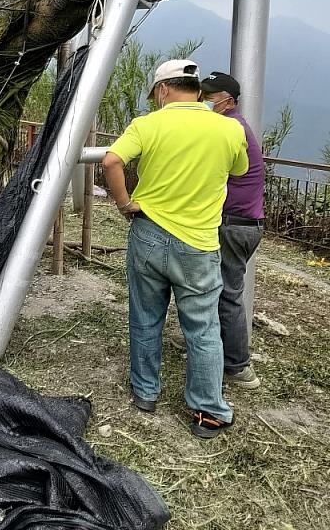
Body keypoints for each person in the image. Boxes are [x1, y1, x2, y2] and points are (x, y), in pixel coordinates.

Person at [102, 59, 249, 439]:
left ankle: (145, 392)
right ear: (196, 89)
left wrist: (124, 202)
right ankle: (208, 412)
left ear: (164, 89)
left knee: (146, 315)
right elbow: (237, 170)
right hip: (198, 244)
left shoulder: (147, 124)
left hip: (148, 234)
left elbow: (112, 160)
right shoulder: (229, 128)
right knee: (203, 328)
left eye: (155, 94)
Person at [200, 71, 265, 390]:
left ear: (227, 100)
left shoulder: (231, 127)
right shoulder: (234, 126)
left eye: (209, 96)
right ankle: (211, 346)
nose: (204, 100)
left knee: (227, 293)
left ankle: (239, 366)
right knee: (217, 288)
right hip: (242, 224)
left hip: (235, 225)